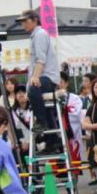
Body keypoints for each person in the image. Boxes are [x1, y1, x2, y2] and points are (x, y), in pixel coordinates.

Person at [18, 9, 61, 149]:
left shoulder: (40, 34)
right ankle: (52, 140)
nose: (23, 24)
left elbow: (40, 59)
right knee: (40, 102)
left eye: (25, 20)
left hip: (47, 76)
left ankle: (41, 123)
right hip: (45, 76)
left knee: (32, 89)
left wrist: (35, 77)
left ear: (35, 19)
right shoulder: (36, 35)